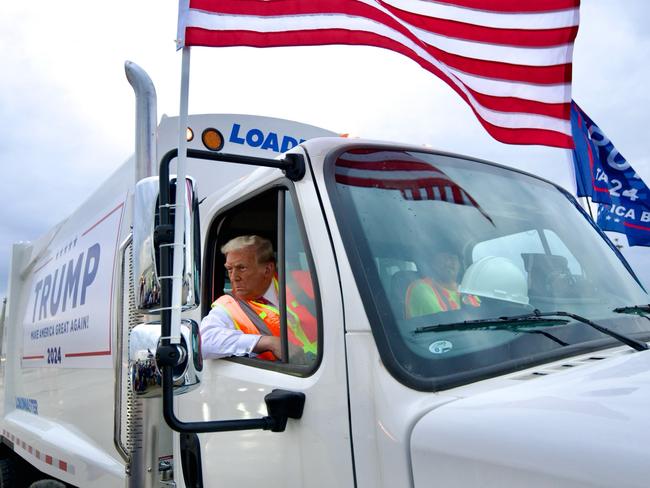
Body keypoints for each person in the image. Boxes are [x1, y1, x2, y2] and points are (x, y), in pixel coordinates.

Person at [200, 235, 317, 361]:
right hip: (288, 377)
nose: (233, 277)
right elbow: (203, 342)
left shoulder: (301, 282)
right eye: (229, 269)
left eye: (242, 268)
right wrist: (268, 342)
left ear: (267, 269)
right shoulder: (229, 306)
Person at [405, 250, 480, 318]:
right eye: (444, 259)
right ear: (433, 264)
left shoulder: (469, 292)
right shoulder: (421, 288)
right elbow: (440, 322)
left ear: (460, 265)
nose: (448, 263)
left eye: (452, 258)